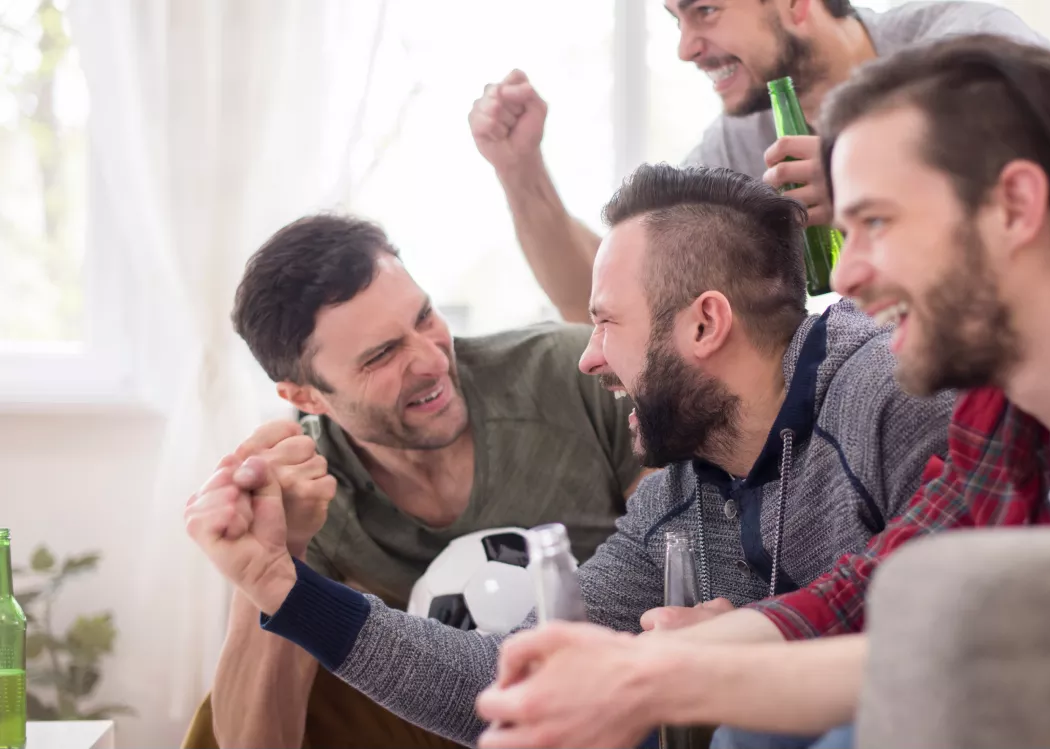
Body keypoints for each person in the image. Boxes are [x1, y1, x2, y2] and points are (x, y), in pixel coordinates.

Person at [470, 34, 1050, 749]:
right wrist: (653, 661)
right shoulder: (1004, 408)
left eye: (875, 223)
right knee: (753, 730)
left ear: (1014, 206)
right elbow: (869, 589)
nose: (844, 273)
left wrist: (654, 677)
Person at [182, 164, 955, 746]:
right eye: (383, 352)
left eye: (604, 322)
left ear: (703, 325)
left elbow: (970, 631)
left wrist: (739, 646)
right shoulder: (680, 502)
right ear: (305, 395)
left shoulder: (888, 389)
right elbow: (514, 673)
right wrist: (280, 584)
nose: (586, 358)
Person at [181, 215, 650, 749]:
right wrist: (271, 559)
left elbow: (683, 563)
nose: (431, 360)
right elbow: (254, 743)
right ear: (305, 397)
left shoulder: (577, 377)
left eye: (425, 316)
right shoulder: (307, 493)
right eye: (381, 355)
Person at [469, 0, 1050, 322]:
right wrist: (521, 173)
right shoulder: (740, 141)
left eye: (705, 10)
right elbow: (602, 299)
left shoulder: (966, 41)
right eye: (676, 19)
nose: (685, 48)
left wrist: (871, 175)